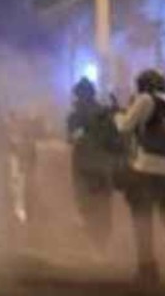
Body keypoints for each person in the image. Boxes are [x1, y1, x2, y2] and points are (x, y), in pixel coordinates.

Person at [115, 69, 165, 285]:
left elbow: (125, 126)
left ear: (144, 85)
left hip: (148, 167)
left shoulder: (145, 100)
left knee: (142, 217)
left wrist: (118, 113)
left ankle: (147, 268)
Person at [66, 78, 121, 249]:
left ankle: (97, 244)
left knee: (87, 205)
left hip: (85, 166)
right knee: (101, 206)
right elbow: (115, 141)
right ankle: (100, 244)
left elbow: (73, 138)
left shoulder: (75, 116)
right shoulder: (104, 113)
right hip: (101, 166)